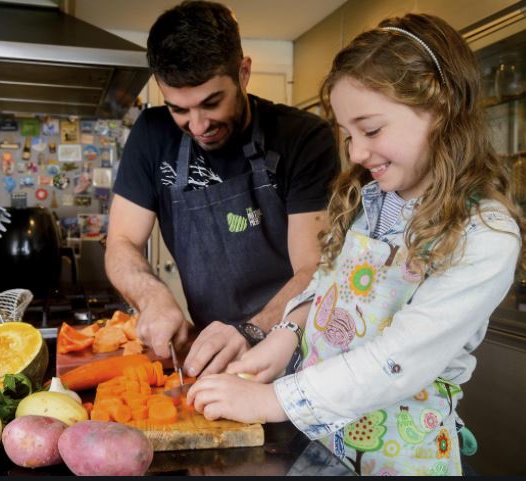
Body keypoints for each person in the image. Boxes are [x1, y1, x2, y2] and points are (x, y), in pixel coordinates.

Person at [187, 13, 525, 476]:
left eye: (371, 129)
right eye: (348, 135)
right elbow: (329, 283)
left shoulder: (485, 234)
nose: (358, 153)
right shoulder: (370, 202)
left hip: (402, 457)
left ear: (442, 108)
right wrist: (287, 336)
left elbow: (398, 359)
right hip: (326, 440)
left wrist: (273, 400)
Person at [105, 0, 340, 375]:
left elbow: (314, 268)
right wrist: (151, 297)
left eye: (211, 103)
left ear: (243, 72)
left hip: (299, 349)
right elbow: (121, 243)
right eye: (178, 109)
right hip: (215, 356)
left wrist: (250, 330)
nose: (197, 125)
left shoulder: (303, 138)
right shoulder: (151, 134)